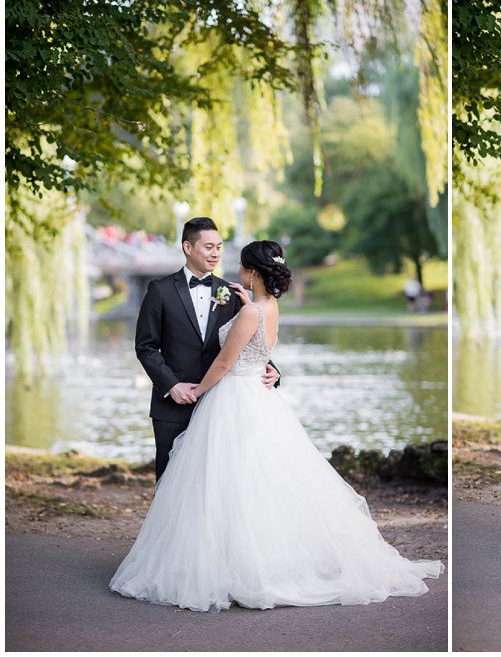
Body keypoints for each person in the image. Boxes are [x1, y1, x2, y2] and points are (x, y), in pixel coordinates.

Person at [111, 240, 443, 610]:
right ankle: (248, 560)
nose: (232, 265)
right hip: (257, 396)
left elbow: (224, 363)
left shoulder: (251, 311)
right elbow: (261, 352)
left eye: (239, 263)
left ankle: (234, 566)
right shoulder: (268, 307)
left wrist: (198, 390)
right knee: (258, 483)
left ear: (252, 271)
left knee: (228, 484)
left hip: (232, 396)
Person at [134, 217, 280, 481]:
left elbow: (249, 341)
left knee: (217, 484)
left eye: (219, 247)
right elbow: (145, 347)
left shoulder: (233, 293)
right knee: (170, 483)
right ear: (188, 248)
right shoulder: (160, 290)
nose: (215, 254)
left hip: (223, 404)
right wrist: (171, 386)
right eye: (208, 247)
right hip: (173, 405)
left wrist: (273, 370)